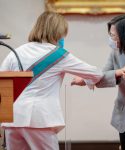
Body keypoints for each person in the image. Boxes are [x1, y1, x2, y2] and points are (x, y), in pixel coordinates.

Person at [0, 11, 103, 150]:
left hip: (12, 120)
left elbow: (2, 83)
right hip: (40, 120)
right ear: (57, 32)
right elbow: (96, 74)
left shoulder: (17, 51)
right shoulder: (59, 55)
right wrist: (85, 80)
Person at [71, 14, 125, 150]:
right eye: (110, 35)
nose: (111, 40)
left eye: (114, 36)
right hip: (124, 118)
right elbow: (103, 77)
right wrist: (87, 80)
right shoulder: (116, 52)